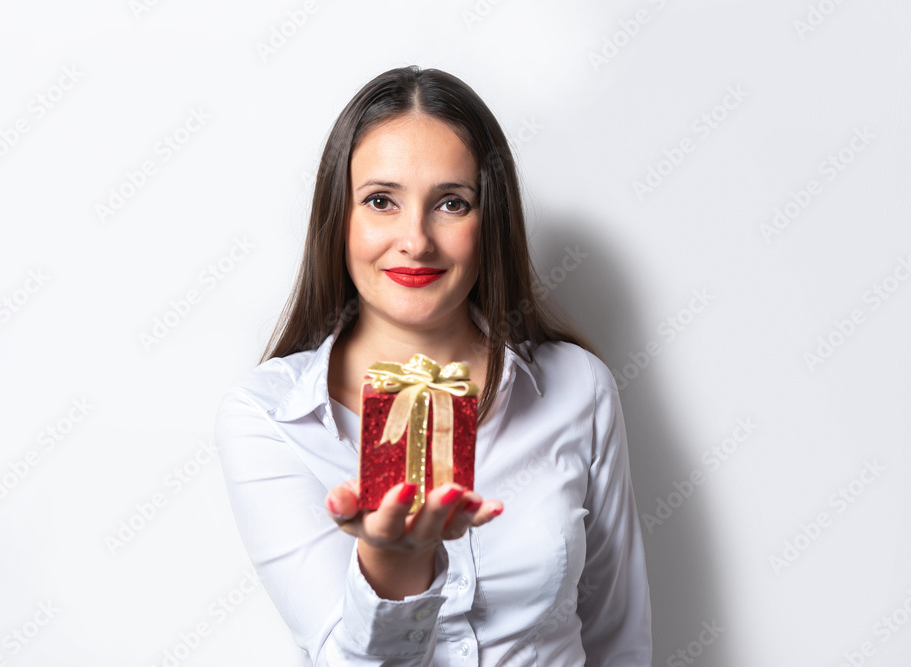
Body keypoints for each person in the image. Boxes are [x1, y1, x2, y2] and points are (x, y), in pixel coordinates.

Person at [214, 65, 652, 665]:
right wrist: (392, 570)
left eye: (451, 203)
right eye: (380, 201)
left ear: (488, 221)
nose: (416, 240)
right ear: (339, 217)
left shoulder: (578, 388)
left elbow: (619, 637)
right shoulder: (269, 417)